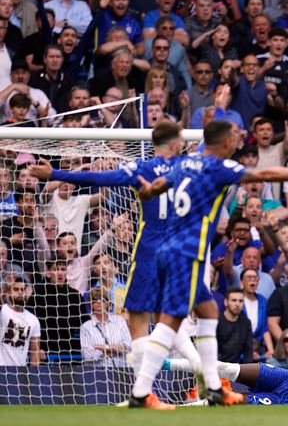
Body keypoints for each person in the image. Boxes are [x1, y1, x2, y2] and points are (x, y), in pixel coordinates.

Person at [129, 120, 288, 409]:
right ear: (223, 142)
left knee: (208, 310)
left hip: (172, 249)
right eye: (234, 135)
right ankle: (140, 392)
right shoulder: (217, 165)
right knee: (170, 321)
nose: (239, 138)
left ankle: (212, 387)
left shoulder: (187, 162)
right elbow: (265, 173)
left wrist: (147, 192)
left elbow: (161, 183)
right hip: (187, 252)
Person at [29, 121, 204, 398]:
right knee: (164, 319)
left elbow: (99, 179)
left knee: (137, 321)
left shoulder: (142, 169)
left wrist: (55, 172)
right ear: (175, 143)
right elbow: (210, 151)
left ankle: (145, 394)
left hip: (149, 250)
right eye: (181, 139)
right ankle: (193, 372)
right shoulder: (189, 168)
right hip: (178, 252)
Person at [80, 286, 131, 367]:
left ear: (108, 302)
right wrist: (114, 350)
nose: (99, 301)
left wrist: (101, 347)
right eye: (94, 299)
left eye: (102, 298)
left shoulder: (120, 321)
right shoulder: (86, 327)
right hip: (97, 372)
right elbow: (88, 355)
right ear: (90, 304)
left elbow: (128, 345)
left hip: (120, 369)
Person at [0, 275, 41, 366]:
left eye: (22, 290)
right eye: (16, 289)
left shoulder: (33, 320)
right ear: (9, 292)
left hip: (20, 373)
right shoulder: (2, 311)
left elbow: (35, 351)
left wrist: (34, 377)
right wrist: (5, 288)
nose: (20, 292)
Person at [216, 287, 253, 363]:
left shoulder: (246, 323)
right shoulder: (216, 321)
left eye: (240, 301)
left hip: (237, 368)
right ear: (226, 302)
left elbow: (248, 350)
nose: (237, 304)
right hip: (216, 366)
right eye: (234, 300)